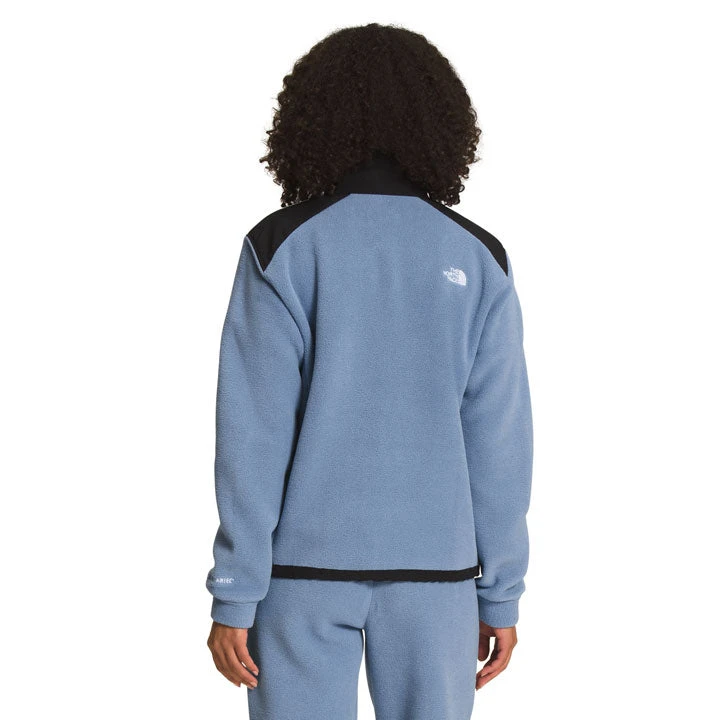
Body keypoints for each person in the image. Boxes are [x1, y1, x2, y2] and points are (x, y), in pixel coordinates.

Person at [205, 22, 534, 720]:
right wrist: (500, 593)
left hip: (299, 578)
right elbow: (500, 443)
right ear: (441, 122)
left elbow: (252, 435)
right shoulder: (479, 257)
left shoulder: (282, 247)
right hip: (439, 583)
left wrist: (236, 589)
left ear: (309, 119)